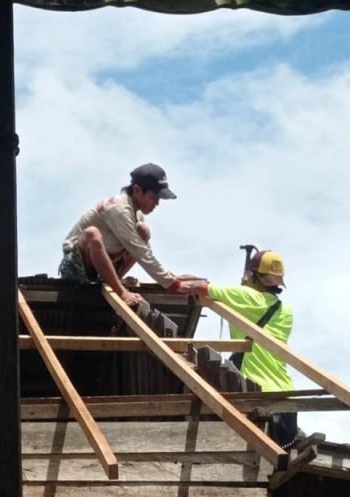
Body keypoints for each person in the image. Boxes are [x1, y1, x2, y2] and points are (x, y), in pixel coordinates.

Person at [184, 249, 299, 448]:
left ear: (252, 277)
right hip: (285, 397)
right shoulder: (286, 310)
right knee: (281, 456)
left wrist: (177, 280)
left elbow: (201, 288)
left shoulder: (248, 298)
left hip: (257, 395)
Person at [59, 163, 193, 307]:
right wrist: (172, 284)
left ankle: (114, 279)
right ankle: (120, 290)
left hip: (105, 264)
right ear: (137, 190)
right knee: (92, 233)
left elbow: (144, 250)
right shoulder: (119, 209)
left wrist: (170, 278)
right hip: (77, 266)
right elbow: (139, 251)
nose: (156, 203)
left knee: (142, 231)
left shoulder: (137, 214)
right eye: (153, 197)